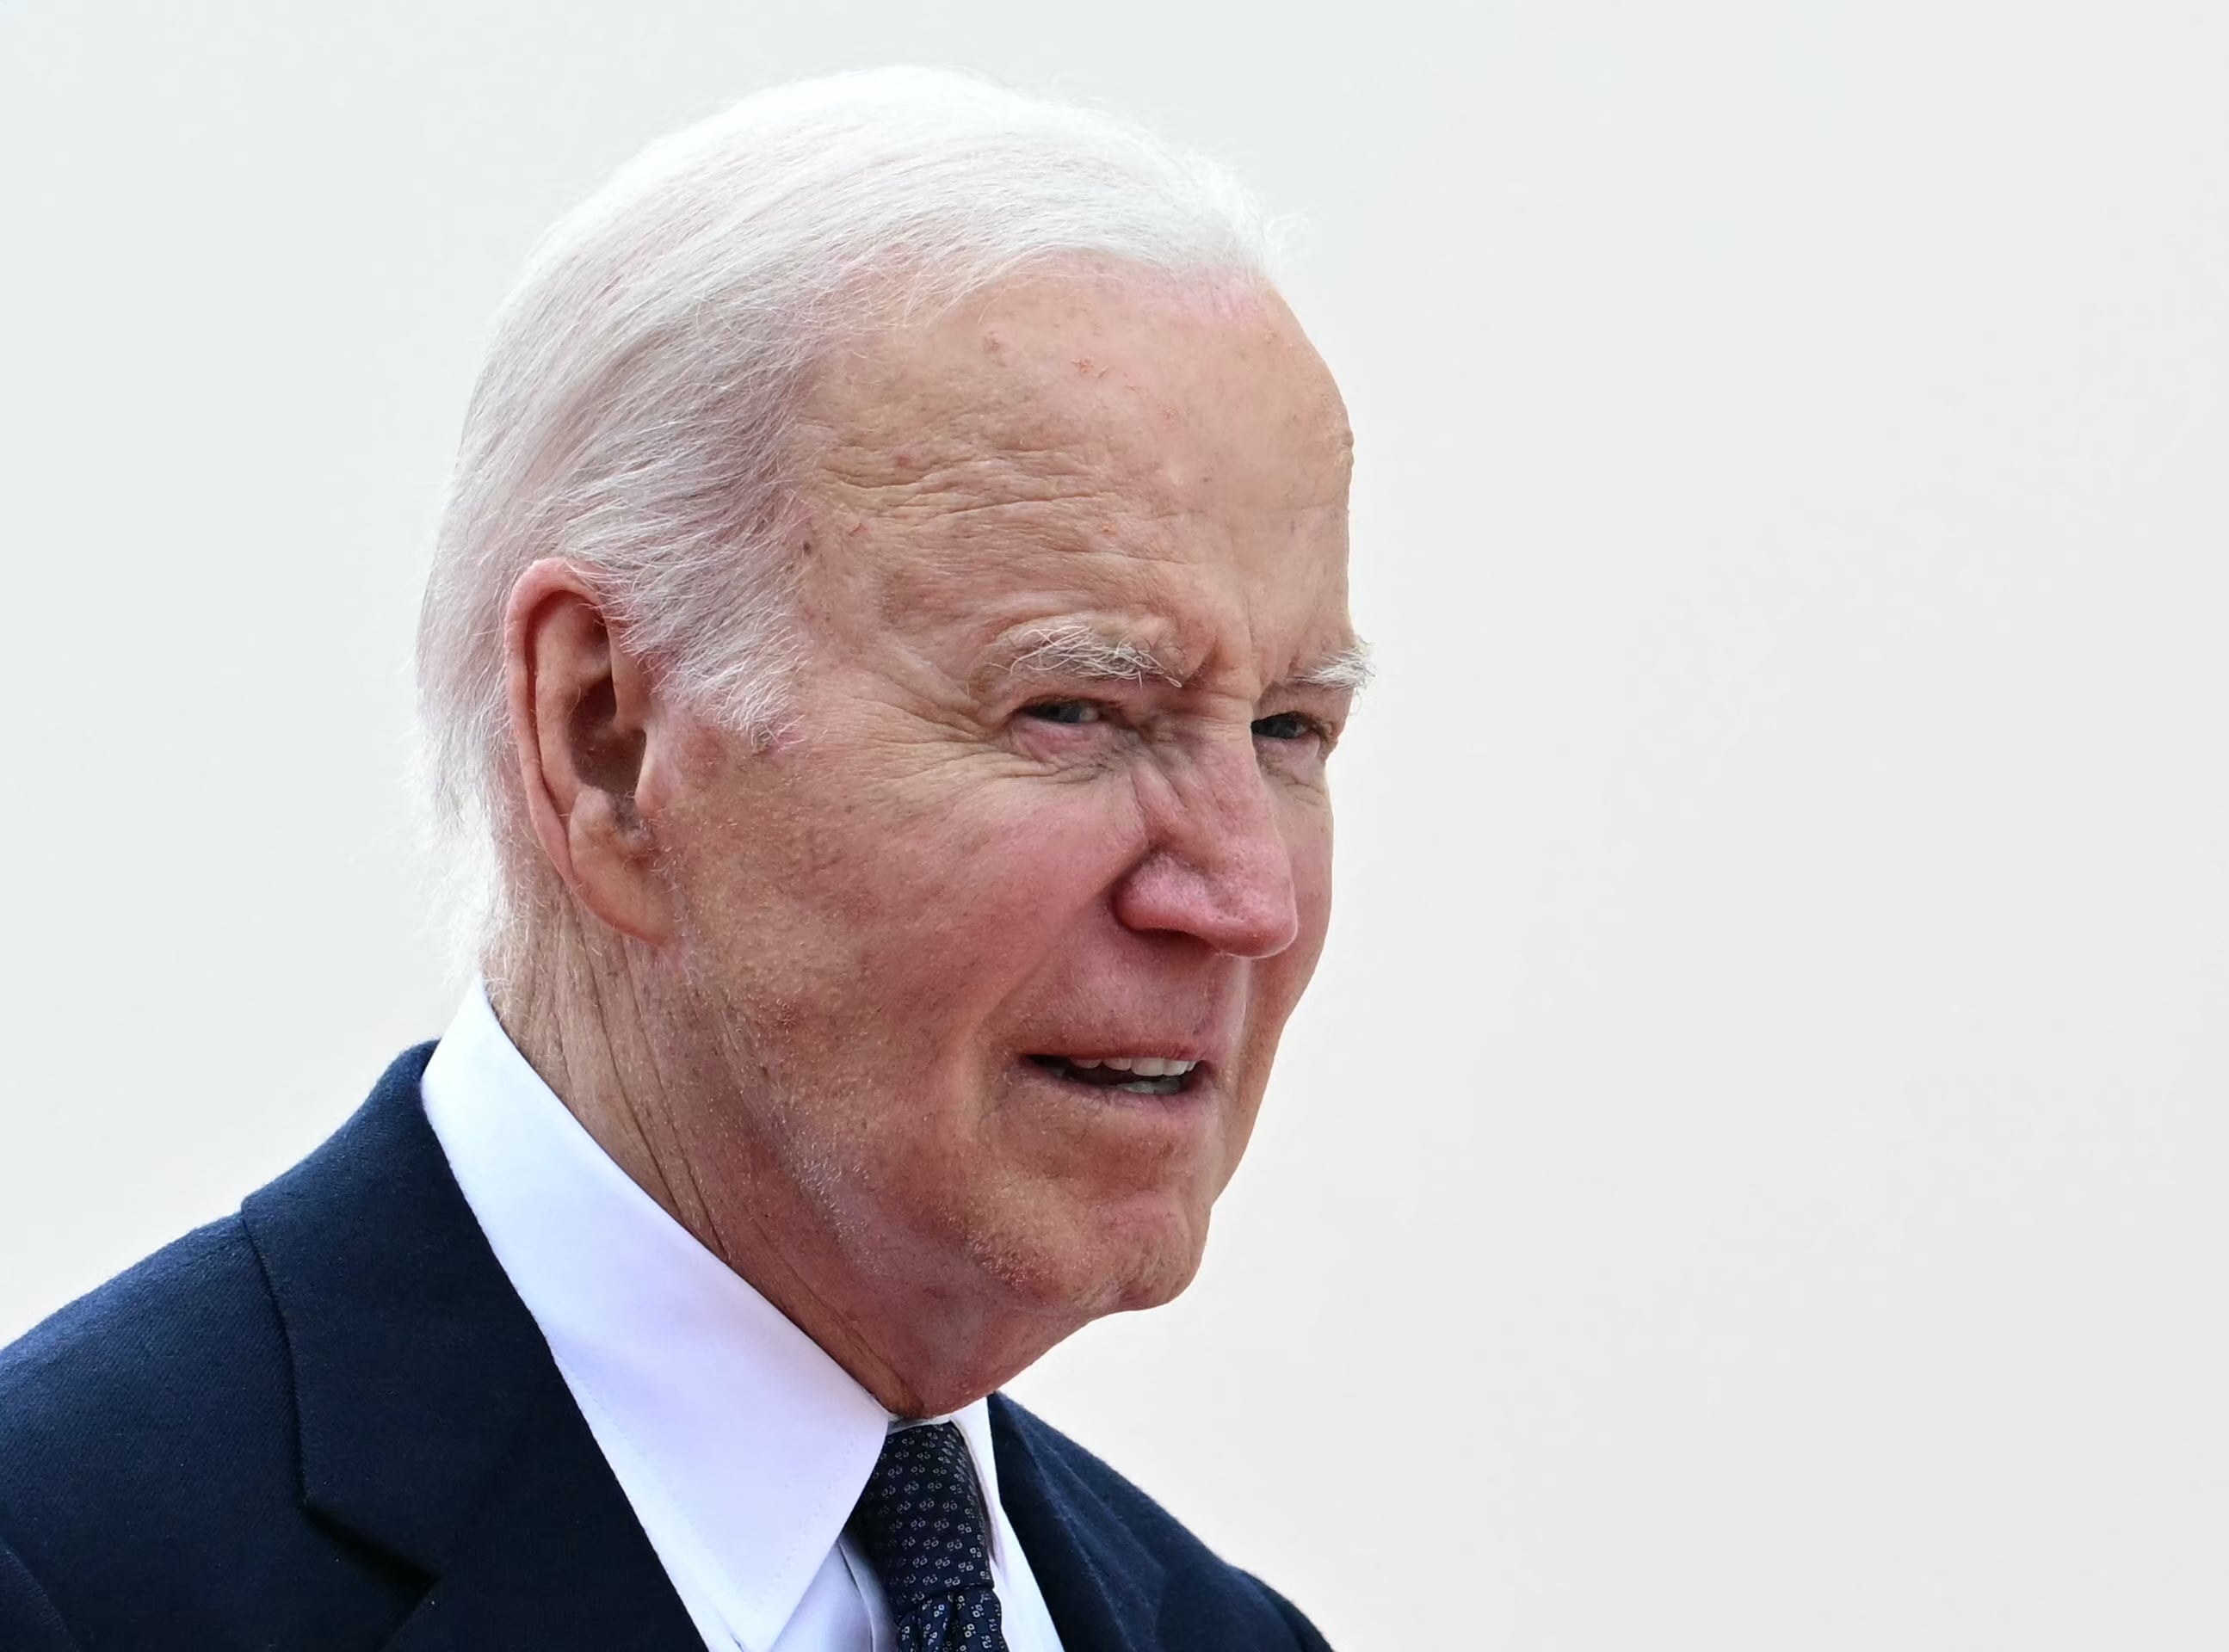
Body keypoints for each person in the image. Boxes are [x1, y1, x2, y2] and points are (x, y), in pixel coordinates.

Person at [0, 68, 1363, 1651]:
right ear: (607, 741)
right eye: (1075, 711)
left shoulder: (1219, 1632)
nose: (1245, 900)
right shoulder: (66, 1579)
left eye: (1289, 730)